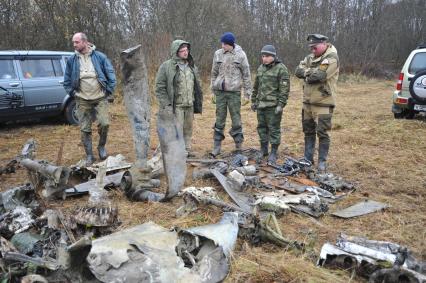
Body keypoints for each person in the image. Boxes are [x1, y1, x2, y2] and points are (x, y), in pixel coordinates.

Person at [63, 32, 116, 165]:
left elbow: (111, 74)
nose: (74, 45)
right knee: (85, 128)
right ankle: (89, 155)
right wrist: (73, 93)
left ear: (85, 42)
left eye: (77, 42)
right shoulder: (72, 60)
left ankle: (101, 147)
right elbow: (67, 80)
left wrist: (109, 90)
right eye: (73, 42)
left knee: (105, 123)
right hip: (82, 99)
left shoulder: (100, 57)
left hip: (100, 97)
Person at [294, 34, 339, 172]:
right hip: (307, 102)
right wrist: (310, 72)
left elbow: (320, 76)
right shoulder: (310, 58)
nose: (312, 50)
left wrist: (307, 73)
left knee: (322, 132)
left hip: (323, 102)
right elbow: (297, 71)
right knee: (308, 131)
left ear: (324, 44)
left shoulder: (331, 58)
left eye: (315, 47)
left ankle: (321, 162)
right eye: (310, 47)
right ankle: (308, 159)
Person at [155, 39, 203, 156]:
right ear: (175, 52)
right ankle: (165, 152)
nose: (185, 53)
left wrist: (198, 99)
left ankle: (186, 150)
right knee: (174, 131)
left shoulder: (191, 66)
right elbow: (159, 87)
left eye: (186, 50)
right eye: (182, 51)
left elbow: (197, 84)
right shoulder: (166, 66)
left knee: (188, 129)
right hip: (176, 106)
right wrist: (166, 104)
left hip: (189, 104)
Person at [210, 32, 252, 156]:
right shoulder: (218, 54)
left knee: (236, 120)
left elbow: (246, 74)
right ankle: (217, 146)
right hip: (220, 93)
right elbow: (213, 73)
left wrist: (247, 94)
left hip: (234, 93)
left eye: (225, 44)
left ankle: (238, 146)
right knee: (219, 120)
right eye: (222, 44)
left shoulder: (241, 55)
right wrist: (212, 91)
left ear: (231, 44)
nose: (223, 46)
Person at [251, 45, 290, 165]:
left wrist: (281, 105)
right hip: (261, 105)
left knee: (274, 129)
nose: (264, 58)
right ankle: (264, 149)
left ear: (273, 56)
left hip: (273, 106)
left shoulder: (281, 69)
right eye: (263, 56)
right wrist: (254, 101)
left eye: (267, 56)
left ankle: (273, 151)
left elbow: (285, 89)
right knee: (262, 128)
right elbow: (256, 86)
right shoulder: (261, 68)